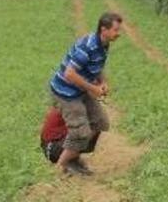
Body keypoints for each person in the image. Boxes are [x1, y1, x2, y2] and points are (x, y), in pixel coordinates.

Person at [49, 12, 122, 175]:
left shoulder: (104, 44)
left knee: (100, 122)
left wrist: (103, 82)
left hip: (80, 90)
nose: (119, 33)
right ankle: (60, 167)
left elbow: (96, 67)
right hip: (65, 92)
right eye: (116, 30)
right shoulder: (88, 46)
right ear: (104, 29)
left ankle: (73, 159)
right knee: (81, 132)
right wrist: (92, 88)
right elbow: (69, 74)